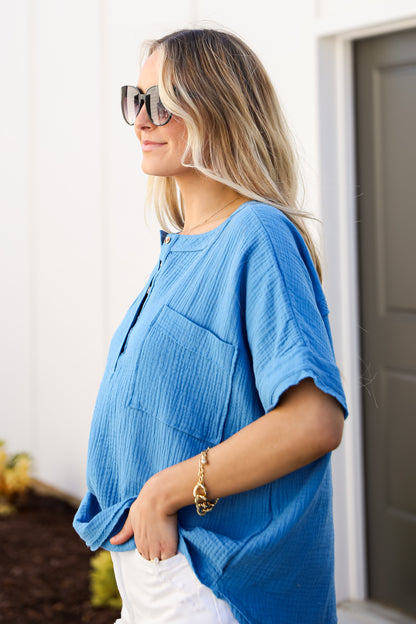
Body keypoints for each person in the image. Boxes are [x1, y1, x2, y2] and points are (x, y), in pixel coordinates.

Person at [73, 28, 347, 624]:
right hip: (157, 577)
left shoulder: (257, 235)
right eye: (136, 99)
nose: (141, 120)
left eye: (162, 102)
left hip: (212, 584)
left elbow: (314, 420)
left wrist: (164, 491)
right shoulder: (181, 248)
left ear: (217, 108)